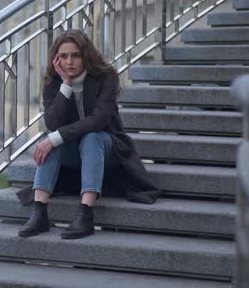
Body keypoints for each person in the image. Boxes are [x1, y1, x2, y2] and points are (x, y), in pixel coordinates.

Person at [17, 30, 160, 239]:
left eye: (75, 55)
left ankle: (85, 214)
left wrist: (55, 137)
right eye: (64, 56)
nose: (69, 62)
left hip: (108, 149)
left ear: (86, 55)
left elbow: (98, 121)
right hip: (75, 153)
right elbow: (52, 123)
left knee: (88, 137)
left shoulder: (106, 77)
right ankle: (39, 213)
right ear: (56, 58)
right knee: (51, 142)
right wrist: (65, 84)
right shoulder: (53, 81)